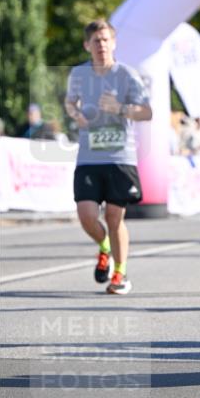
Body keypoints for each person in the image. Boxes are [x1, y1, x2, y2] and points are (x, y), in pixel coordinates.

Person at [65, 19, 152, 295]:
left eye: (105, 40)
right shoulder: (78, 74)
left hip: (120, 157)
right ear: (86, 45)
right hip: (89, 157)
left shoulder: (126, 74)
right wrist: (75, 115)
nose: (101, 45)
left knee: (115, 217)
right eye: (96, 41)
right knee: (87, 216)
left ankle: (120, 274)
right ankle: (104, 247)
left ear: (113, 43)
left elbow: (147, 112)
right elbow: (70, 102)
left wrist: (121, 108)